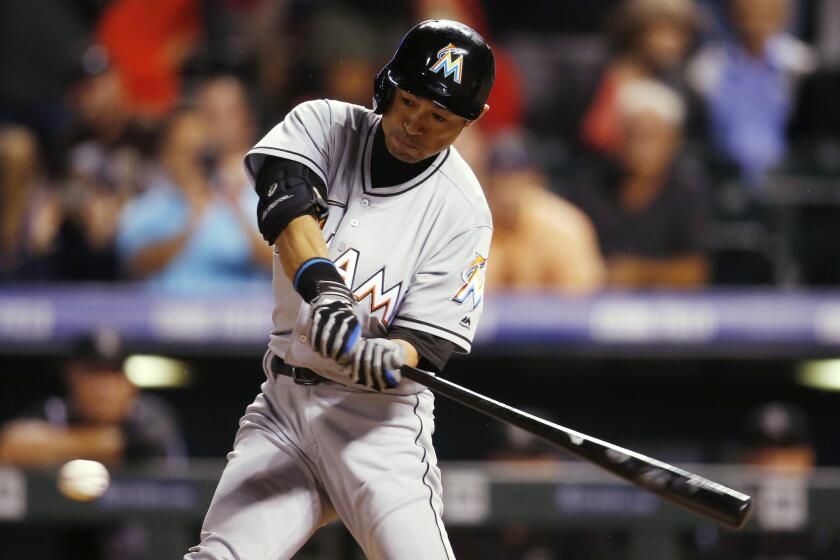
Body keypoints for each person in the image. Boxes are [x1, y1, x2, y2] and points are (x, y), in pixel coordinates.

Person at [186, 19, 494, 559]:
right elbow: (285, 207)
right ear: (386, 87)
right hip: (284, 407)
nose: (416, 124)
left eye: (440, 116)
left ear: (470, 122)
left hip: (377, 427)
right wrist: (328, 292)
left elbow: (432, 344)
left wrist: (389, 353)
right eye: (409, 101)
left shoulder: (463, 211)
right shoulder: (324, 123)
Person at [566, 79, 709, 288]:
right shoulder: (589, 188)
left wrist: (639, 274)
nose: (640, 147)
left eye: (650, 137)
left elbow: (696, 271)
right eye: (632, 135)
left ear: (673, 141)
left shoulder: (687, 193)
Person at [116, 106, 271, 293]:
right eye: (185, 151)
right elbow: (134, 263)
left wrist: (235, 210)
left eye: (200, 153)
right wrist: (190, 224)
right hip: (166, 315)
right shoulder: (147, 207)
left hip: (238, 316)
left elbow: (279, 260)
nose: (193, 161)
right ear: (166, 154)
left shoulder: (245, 200)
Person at [0, 329, 186, 468]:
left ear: (130, 384)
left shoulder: (149, 415)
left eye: (113, 373)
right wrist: (102, 444)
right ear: (72, 377)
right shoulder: (56, 412)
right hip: (68, 518)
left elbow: (145, 443)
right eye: (94, 372)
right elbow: (9, 447)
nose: (103, 387)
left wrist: (57, 446)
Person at [688, 0, 816, 185]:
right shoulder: (707, 66)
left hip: (788, 178)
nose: (755, 20)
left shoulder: (802, 65)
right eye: (747, 12)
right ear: (732, 15)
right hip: (723, 177)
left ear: (783, 15)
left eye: (764, 12)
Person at [483, 134, 604, 293]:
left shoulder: (563, 225)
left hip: (557, 317)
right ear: (485, 183)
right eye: (499, 182)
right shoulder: (474, 226)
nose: (507, 193)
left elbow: (583, 294)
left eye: (516, 181)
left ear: (535, 180)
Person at [581, 0, 701, 156]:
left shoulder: (683, 90)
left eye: (681, 35)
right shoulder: (592, 77)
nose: (671, 44)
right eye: (662, 31)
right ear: (637, 31)